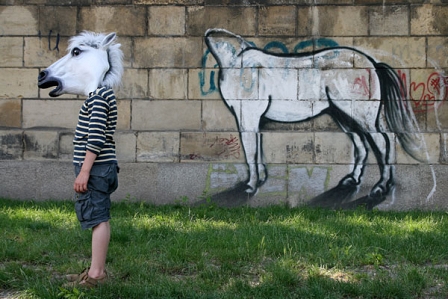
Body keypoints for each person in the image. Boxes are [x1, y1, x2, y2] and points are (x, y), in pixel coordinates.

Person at [68, 86, 119, 288]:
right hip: (101, 167)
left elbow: (96, 137)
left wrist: (85, 171)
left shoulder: (98, 96)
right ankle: (94, 270)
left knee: (98, 219)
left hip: (96, 168)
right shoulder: (100, 94)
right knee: (100, 217)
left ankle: (96, 275)